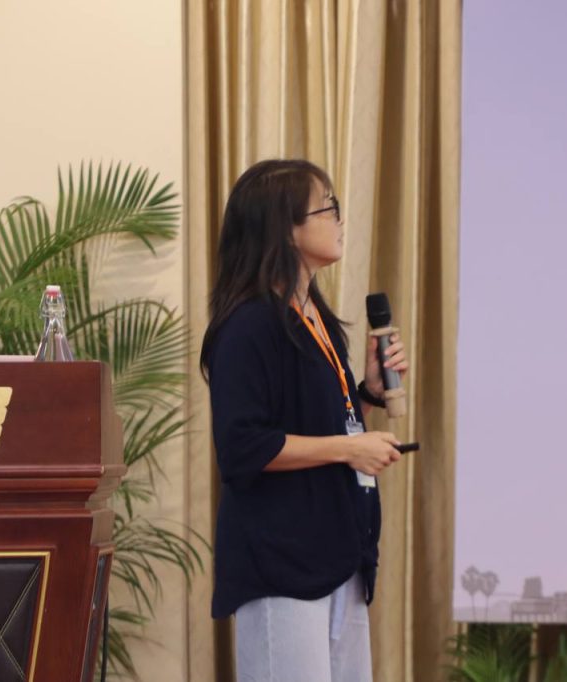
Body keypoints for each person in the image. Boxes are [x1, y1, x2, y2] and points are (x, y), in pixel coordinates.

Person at [200, 159, 409, 682]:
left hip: (339, 554)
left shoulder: (317, 316)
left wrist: (367, 393)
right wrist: (349, 450)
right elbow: (244, 446)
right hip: (283, 562)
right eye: (328, 208)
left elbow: (319, 423)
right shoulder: (248, 325)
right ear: (285, 227)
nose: (340, 219)